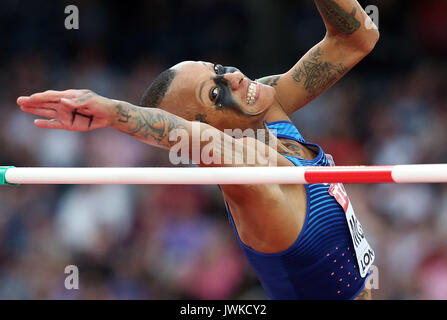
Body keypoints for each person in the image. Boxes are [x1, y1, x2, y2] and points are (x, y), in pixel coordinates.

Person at [17, 0, 379, 300]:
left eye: (218, 70)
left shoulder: (264, 108)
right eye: (216, 93)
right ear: (208, 128)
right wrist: (113, 112)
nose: (236, 77)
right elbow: (187, 135)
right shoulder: (249, 177)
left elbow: (355, 39)